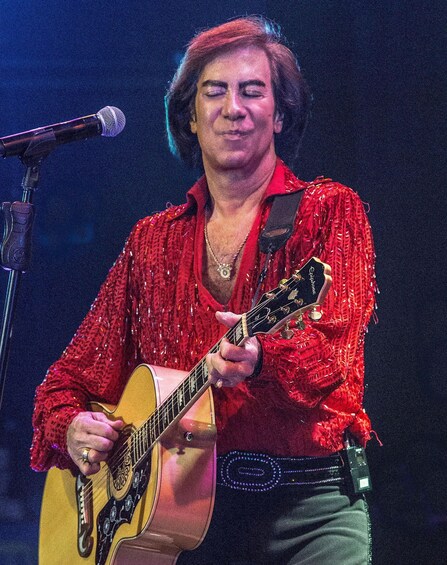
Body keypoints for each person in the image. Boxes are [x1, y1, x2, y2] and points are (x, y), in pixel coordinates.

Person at [31, 16, 376, 565]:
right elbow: (67, 379)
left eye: (252, 91)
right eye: (214, 91)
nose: (232, 108)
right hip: (181, 518)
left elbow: (335, 359)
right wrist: (71, 426)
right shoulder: (152, 241)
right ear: (190, 116)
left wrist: (262, 358)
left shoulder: (327, 210)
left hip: (309, 512)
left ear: (280, 113)